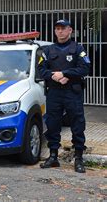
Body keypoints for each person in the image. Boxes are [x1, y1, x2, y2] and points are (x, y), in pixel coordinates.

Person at [38, 19, 90, 173]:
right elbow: (41, 69)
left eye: (63, 28)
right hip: (54, 92)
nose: (60, 31)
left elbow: (85, 68)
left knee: (77, 124)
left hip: (72, 93)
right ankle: (53, 157)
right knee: (53, 124)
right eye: (57, 29)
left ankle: (79, 158)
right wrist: (53, 76)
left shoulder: (78, 49)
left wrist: (66, 74)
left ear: (70, 30)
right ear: (55, 31)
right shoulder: (48, 51)